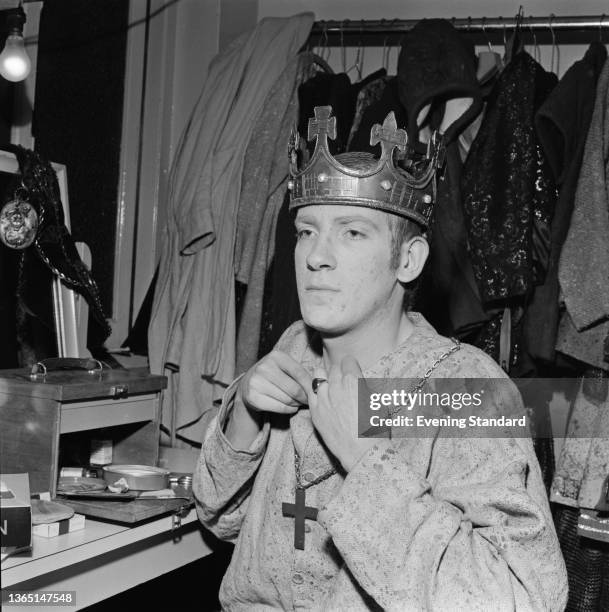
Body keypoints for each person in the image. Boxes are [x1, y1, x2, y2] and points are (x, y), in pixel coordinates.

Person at [193, 106, 568, 611]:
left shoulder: (466, 389)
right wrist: (243, 416)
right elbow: (220, 520)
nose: (314, 256)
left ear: (408, 260)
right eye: (306, 231)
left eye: (352, 232)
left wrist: (366, 460)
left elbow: (520, 599)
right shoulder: (293, 347)